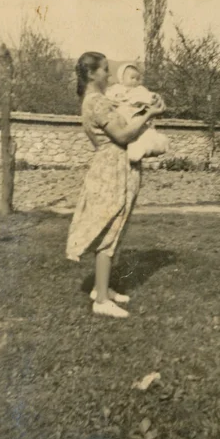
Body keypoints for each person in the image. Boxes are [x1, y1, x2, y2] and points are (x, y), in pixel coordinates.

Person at [66, 52, 166, 318]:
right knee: (110, 229)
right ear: (91, 74)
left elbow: (124, 123)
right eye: (105, 71)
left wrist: (145, 109)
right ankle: (100, 300)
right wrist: (149, 115)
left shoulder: (97, 100)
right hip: (112, 167)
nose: (109, 75)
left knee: (117, 227)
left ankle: (103, 287)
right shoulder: (97, 102)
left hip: (115, 165)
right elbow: (122, 134)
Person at [106, 63, 169, 163]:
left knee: (144, 132)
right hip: (124, 115)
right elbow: (108, 97)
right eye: (132, 78)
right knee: (129, 133)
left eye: (137, 78)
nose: (135, 81)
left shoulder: (140, 89)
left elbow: (149, 97)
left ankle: (152, 145)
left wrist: (153, 98)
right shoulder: (116, 88)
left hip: (137, 113)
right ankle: (134, 151)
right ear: (122, 78)